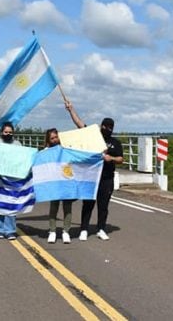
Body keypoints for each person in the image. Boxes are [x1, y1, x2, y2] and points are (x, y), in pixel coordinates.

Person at [64, 101, 123, 241]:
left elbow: (121, 159)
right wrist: (71, 109)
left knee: (103, 206)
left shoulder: (116, 143)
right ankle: (84, 229)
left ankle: (101, 229)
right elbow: (79, 124)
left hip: (107, 178)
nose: (108, 129)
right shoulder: (93, 136)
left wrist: (111, 158)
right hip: (91, 177)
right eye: (105, 126)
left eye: (110, 127)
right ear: (101, 126)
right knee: (88, 204)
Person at [0, 121, 21, 240]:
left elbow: (22, 159)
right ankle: (1, 229)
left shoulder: (17, 144)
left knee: (11, 203)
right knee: (1, 203)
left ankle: (11, 230)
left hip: (13, 178)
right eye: (6, 132)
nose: (8, 134)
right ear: (2, 132)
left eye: (10, 132)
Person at [44, 128, 74, 244]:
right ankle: (52, 231)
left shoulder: (65, 148)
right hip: (54, 182)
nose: (55, 140)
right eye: (52, 138)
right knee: (54, 207)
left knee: (67, 207)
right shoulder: (46, 151)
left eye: (56, 137)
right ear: (48, 140)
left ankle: (66, 231)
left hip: (66, 179)